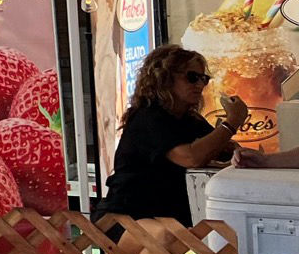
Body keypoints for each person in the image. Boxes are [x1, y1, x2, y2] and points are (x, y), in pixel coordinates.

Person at [99, 44, 245, 225]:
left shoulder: (189, 120)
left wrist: (234, 148)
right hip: (127, 214)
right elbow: (190, 157)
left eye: (203, 79)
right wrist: (232, 123)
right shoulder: (148, 117)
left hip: (167, 216)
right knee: (162, 238)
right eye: (192, 78)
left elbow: (219, 148)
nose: (200, 85)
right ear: (165, 79)